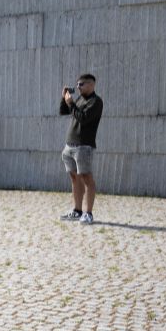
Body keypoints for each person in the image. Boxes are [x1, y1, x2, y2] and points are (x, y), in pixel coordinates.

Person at [59, 74, 104, 225]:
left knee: (86, 178)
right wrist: (64, 99)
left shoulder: (95, 102)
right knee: (74, 178)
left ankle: (88, 213)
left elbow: (83, 118)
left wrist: (71, 104)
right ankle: (77, 210)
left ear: (91, 85)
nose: (78, 87)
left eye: (81, 84)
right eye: (77, 84)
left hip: (84, 146)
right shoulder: (79, 99)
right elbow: (63, 112)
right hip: (69, 145)